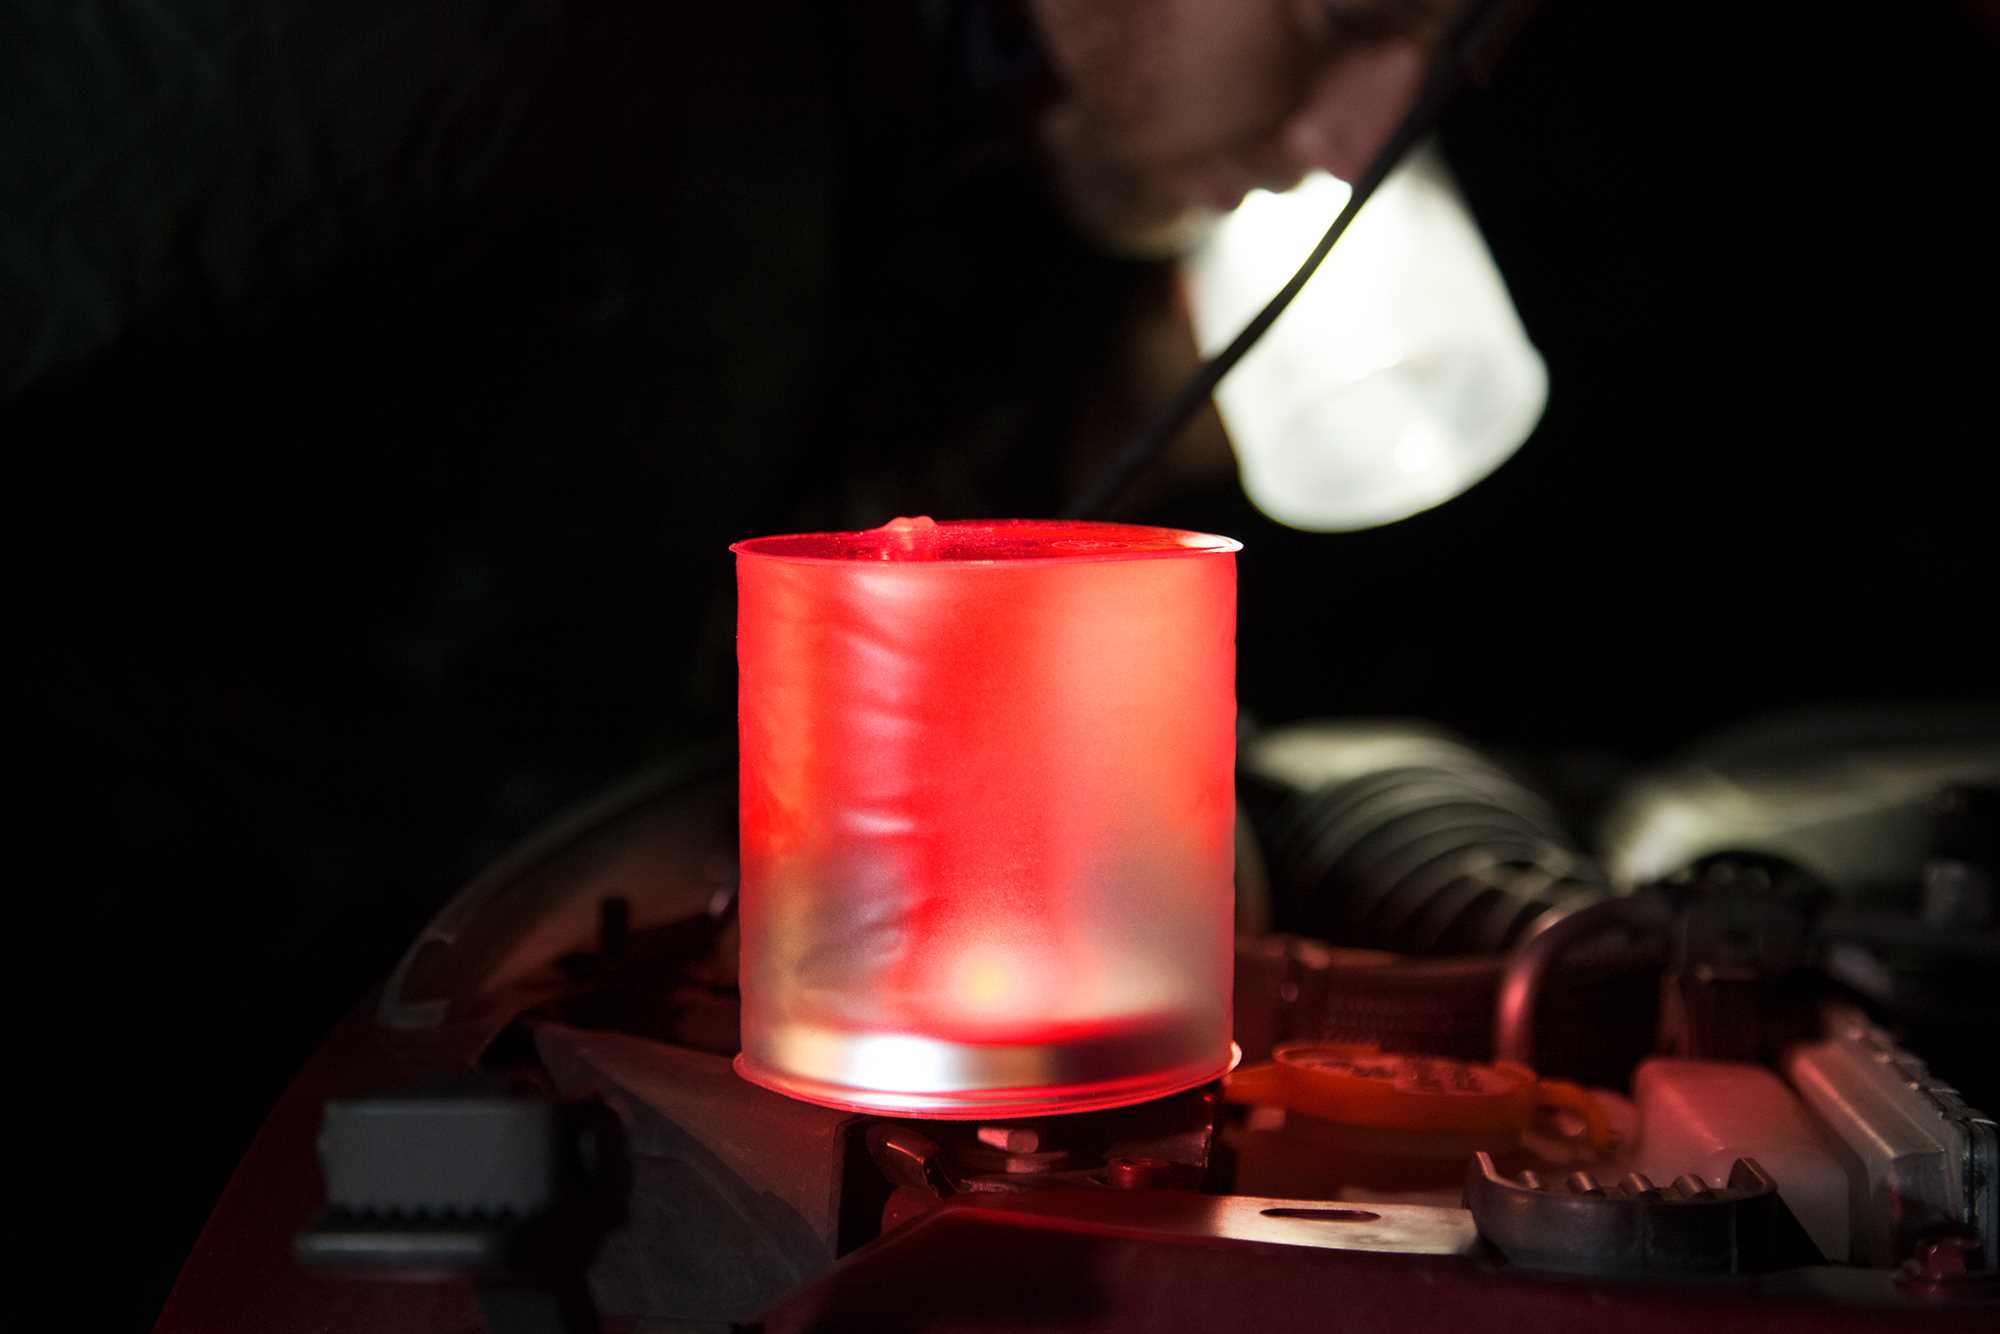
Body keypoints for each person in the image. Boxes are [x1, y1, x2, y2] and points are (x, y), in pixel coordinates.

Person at [5, 2, 1460, 1323]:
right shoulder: (500, 51)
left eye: (1448, 58)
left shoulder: (979, 191)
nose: (1359, 140)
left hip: (442, 1106)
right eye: (1340, 17)